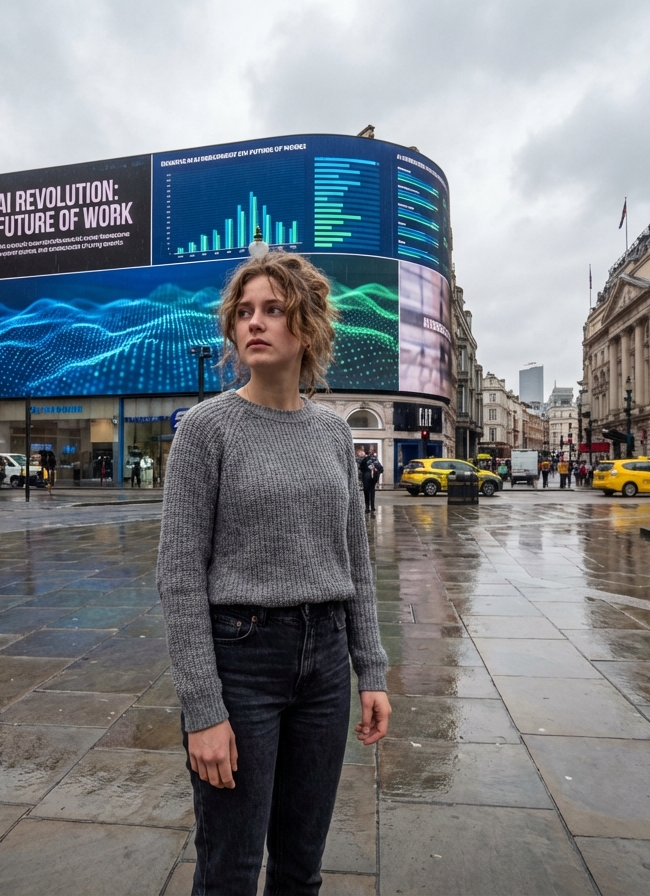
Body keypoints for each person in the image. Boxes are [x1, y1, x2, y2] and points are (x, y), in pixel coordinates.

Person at [157, 251, 390, 895]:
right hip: (242, 660)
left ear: (308, 327)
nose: (254, 323)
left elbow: (355, 560)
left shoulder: (333, 433)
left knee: (300, 868)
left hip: (325, 666)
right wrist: (202, 709)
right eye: (243, 312)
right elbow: (179, 576)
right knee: (229, 871)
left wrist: (370, 669)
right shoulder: (206, 429)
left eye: (274, 309)